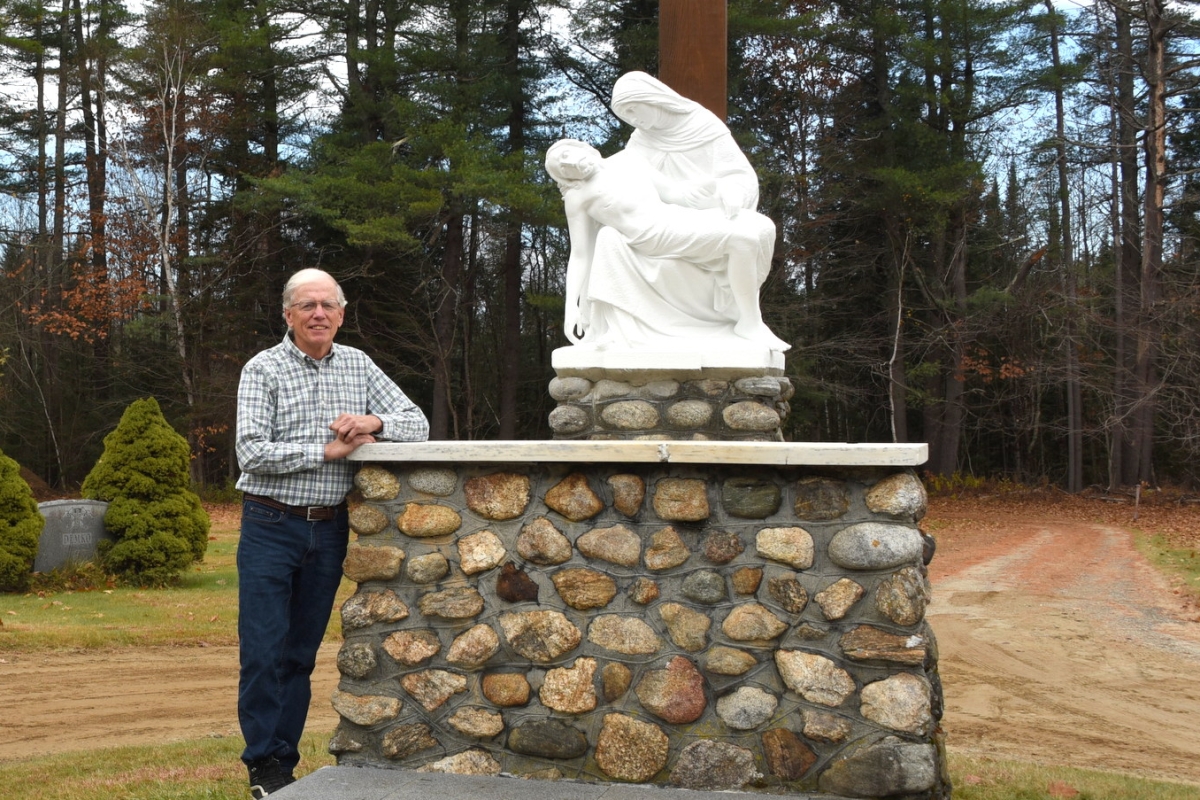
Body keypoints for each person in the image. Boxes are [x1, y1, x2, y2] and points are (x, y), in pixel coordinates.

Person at [234, 268, 428, 798]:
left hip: (329, 529)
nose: (318, 313)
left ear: (341, 315)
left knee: (300, 653)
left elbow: (417, 422)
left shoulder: (359, 365)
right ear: (288, 315)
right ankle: (262, 763)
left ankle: (283, 764)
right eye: (307, 305)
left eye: (328, 305)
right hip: (270, 524)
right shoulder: (263, 369)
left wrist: (374, 423)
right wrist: (325, 452)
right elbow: (250, 452)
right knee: (263, 651)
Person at [556, 71, 787, 353]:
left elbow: (677, 193)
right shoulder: (584, 192)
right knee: (744, 239)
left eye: (632, 109)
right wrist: (574, 307)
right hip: (655, 235)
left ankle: (743, 318)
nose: (633, 120)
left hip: (676, 217)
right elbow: (580, 253)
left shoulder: (630, 159)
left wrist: (723, 190)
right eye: (625, 116)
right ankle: (749, 323)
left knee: (759, 227)